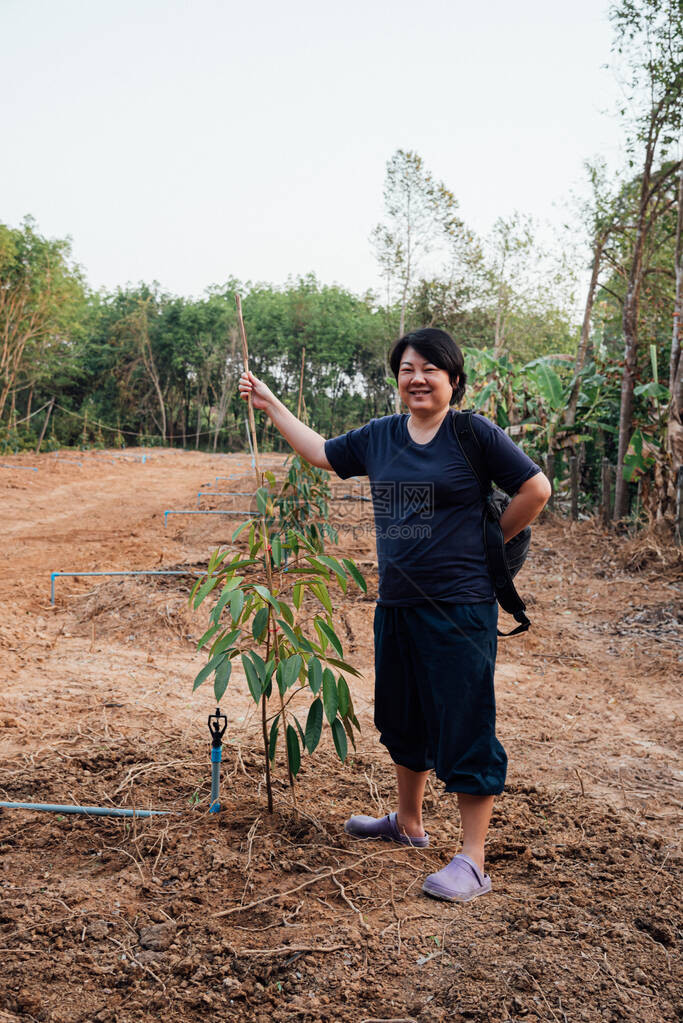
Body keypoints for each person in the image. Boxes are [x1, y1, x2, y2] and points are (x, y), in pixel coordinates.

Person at [239, 327, 551, 902]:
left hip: (459, 606)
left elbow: (536, 488)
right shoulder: (381, 437)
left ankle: (473, 859)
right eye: (408, 368)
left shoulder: (471, 434)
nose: (419, 378)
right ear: (398, 378)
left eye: (432, 369)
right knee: (402, 713)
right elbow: (320, 453)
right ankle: (408, 823)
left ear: (453, 379)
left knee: (463, 720)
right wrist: (271, 402)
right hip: (398, 603)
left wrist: (488, 550)